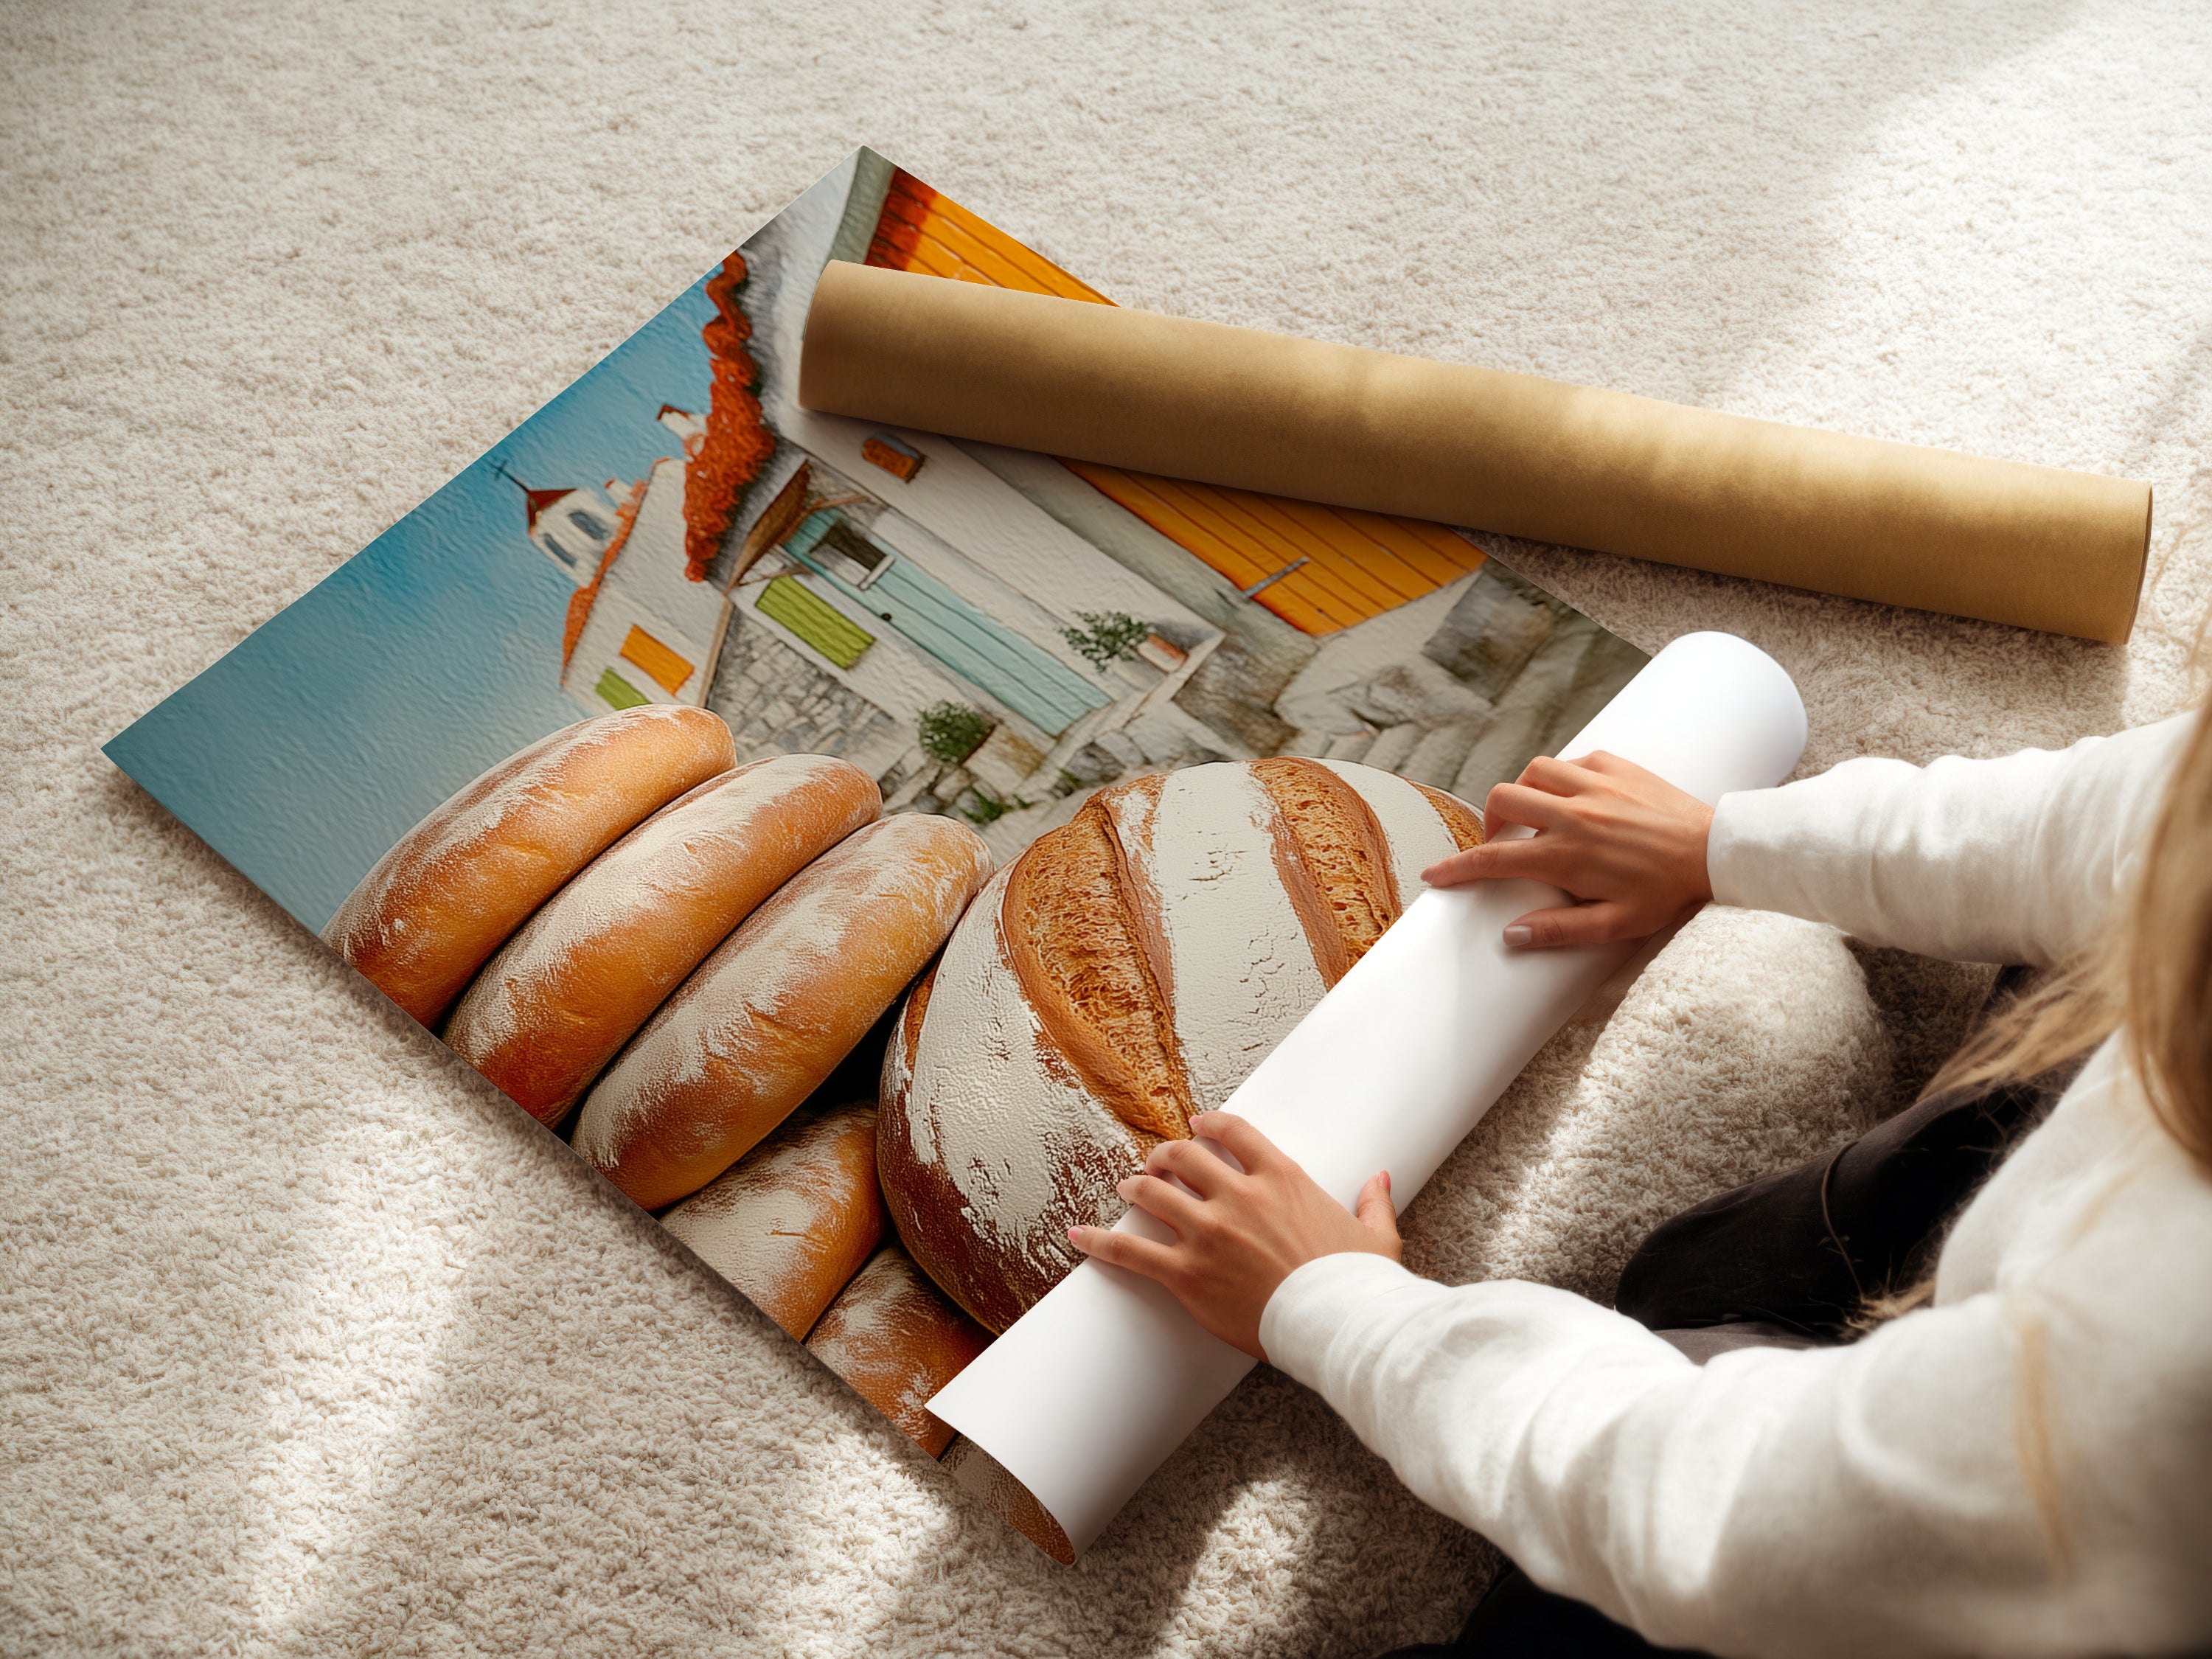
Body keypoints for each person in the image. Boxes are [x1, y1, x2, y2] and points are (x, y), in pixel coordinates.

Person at [1069, 704, 2212, 1657]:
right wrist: (1721, 841)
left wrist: (1336, 1306)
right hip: (2058, 1332)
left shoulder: (2158, 1374)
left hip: (2042, 1566)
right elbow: (2124, 817)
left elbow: (1716, 1512)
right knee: (1698, 1277)